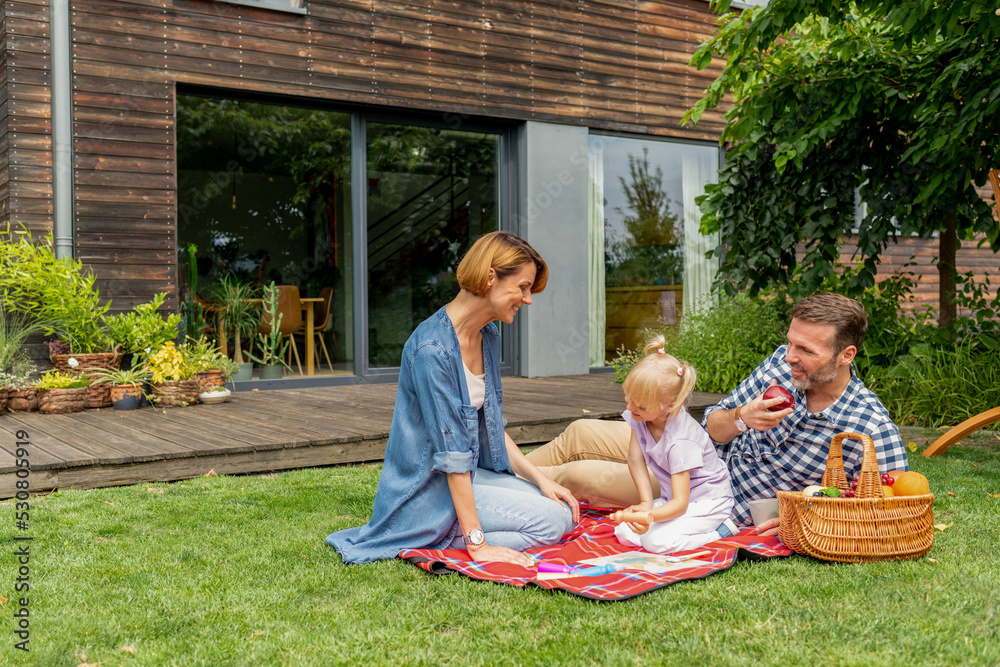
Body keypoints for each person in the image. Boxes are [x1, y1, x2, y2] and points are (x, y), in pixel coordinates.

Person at [526, 292, 909, 537]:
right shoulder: (781, 365)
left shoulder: (870, 427)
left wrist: (799, 520)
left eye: (806, 350)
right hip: (693, 446)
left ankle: (486, 493)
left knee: (575, 476)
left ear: (846, 355)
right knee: (578, 433)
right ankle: (489, 470)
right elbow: (713, 422)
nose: (790, 356)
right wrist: (743, 416)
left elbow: (892, 510)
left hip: (702, 492)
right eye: (790, 342)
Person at [327, 232, 579, 566]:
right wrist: (479, 545)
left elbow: (490, 426)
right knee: (549, 522)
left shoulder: (487, 335)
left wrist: (541, 479)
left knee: (562, 513)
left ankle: (456, 533)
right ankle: (438, 539)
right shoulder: (432, 350)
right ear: (491, 277)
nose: (528, 299)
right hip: (426, 494)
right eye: (523, 286)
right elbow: (453, 455)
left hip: (466, 476)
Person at [612, 336, 735, 554]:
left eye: (639, 404)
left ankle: (720, 532)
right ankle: (668, 532)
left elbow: (680, 503)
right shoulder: (640, 416)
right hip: (675, 499)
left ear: (669, 406)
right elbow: (634, 459)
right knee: (625, 532)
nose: (630, 407)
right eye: (628, 398)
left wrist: (649, 517)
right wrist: (646, 504)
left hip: (708, 502)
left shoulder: (681, 442)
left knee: (654, 542)